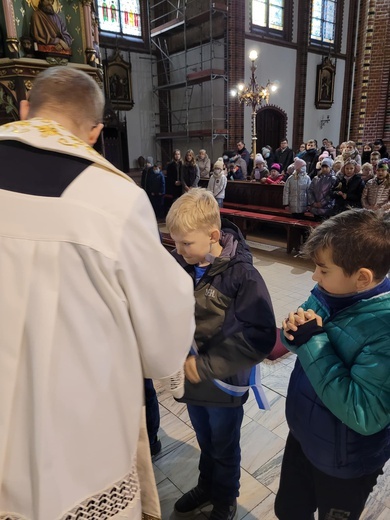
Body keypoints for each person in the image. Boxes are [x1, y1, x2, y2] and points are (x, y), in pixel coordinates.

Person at [0, 66, 196, 520]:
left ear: (25, 109)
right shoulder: (112, 199)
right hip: (72, 443)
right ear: (94, 132)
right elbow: (165, 337)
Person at [166, 189, 276, 520]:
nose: (179, 251)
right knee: (205, 438)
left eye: (186, 244)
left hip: (223, 378)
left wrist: (208, 365)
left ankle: (226, 498)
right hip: (193, 374)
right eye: (176, 243)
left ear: (214, 236)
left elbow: (260, 337)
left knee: (225, 446)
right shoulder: (182, 263)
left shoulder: (241, 274)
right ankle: (206, 486)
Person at [275, 209, 390, 520]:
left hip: (346, 461)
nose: (314, 277)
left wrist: (312, 341)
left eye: (323, 270)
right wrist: (293, 329)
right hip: (303, 435)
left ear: (362, 277)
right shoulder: (330, 291)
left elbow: (364, 414)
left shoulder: (384, 329)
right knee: (288, 509)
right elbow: (296, 335)